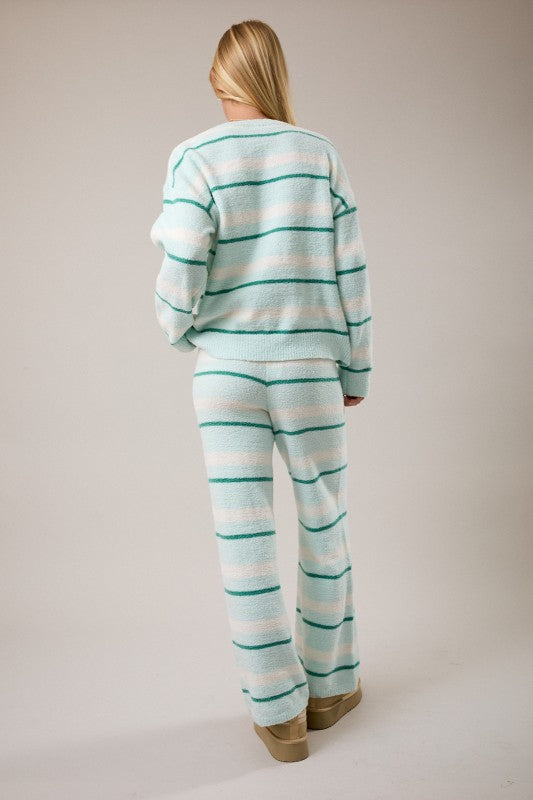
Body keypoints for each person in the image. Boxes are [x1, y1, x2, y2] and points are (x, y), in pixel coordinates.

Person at [149, 19, 373, 762]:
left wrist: (182, 329)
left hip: (225, 373)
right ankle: (330, 688)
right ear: (275, 75)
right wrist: (356, 368)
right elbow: (351, 272)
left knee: (242, 539)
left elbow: (183, 260)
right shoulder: (320, 155)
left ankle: (278, 714)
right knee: (324, 521)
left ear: (219, 81)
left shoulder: (195, 157)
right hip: (310, 369)